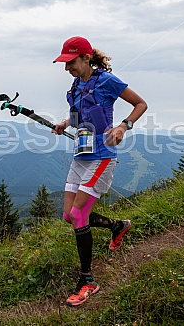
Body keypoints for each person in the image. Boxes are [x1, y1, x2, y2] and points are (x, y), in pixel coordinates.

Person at [52, 36, 148, 307]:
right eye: (64, 63)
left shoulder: (107, 80)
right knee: (69, 216)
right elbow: (78, 117)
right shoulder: (75, 86)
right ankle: (117, 226)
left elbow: (140, 104)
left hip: (103, 156)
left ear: (85, 58)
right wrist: (64, 123)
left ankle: (87, 281)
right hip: (81, 155)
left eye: (70, 62)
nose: (67, 68)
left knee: (80, 214)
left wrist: (123, 126)